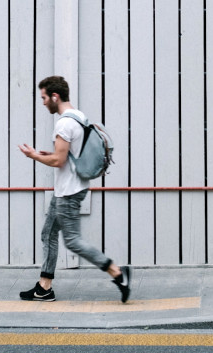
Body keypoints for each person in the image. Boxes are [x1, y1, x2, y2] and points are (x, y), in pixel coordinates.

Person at [17, 76, 131, 303]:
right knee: (48, 233)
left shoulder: (63, 124)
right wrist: (43, 153)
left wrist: (33, 157)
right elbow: (69, 154)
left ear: (54, 96)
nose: (43, 103)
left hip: (68, 192)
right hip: (66, 189)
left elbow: (59, 161)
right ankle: (44, 287)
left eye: (44, 98)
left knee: (73, 241)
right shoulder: (78, 116)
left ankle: (118, 273)